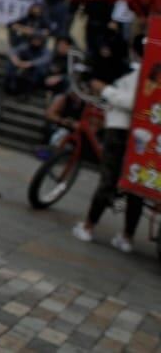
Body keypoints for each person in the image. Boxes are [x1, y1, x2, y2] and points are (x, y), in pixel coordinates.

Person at [72, 35, 144, 253]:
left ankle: (88, 226)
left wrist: (104, 90)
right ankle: (126, 236)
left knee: (110, 179)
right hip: (139, 133)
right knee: (134, 186)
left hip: (123, 129)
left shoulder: (143, 72)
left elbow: (131, 102)